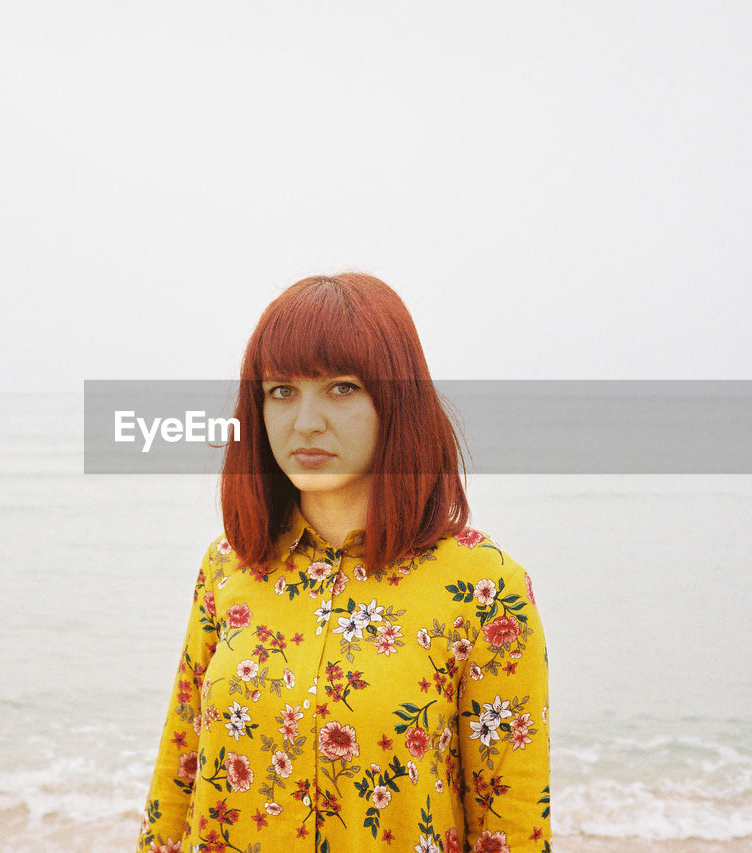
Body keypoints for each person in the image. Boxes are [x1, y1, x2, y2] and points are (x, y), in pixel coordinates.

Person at [137, 273, 549, 853]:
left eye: (342, 387)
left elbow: (512, 823)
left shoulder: (485, 589)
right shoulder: (227, 567)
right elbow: (178, 778)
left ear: (397, 402)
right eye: (281, 390)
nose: (305, 421)